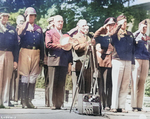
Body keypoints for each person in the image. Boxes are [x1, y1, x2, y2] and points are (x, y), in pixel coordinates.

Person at [17, 7, 44, 108]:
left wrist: (42, 57)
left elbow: (42, 44)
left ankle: (29, 100)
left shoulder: (38, 29)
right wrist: (26, 23)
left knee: (33, 77)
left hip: (36, 52)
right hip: (25, 51)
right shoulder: (22, 26)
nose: (31, 17)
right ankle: (23, 101)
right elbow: (20, 34)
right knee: (24, 76)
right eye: (29, 15)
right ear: (26, 16)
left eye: (33, 15)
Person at [45, 15, 72, 109]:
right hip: (53, 60)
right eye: (58, 21)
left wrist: (69, 62)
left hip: (63, 61)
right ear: (54, 22)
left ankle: (59, 103)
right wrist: (60, 45)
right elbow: (48, 45)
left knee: (61, 83)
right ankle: (52, 103)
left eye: (62, 21)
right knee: (53, 82)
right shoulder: (49, 32)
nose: (60, 23)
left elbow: (68, 49)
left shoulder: (65, 35)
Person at [110, 15, 135, 113]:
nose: (124, 24)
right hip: (118, 59)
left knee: (125, 84)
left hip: (128, 60)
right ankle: (114, 105)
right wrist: (118, 26)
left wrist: (132, 62)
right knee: (116, 83)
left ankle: (122, 105)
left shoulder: (129, 34)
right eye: (122, 22)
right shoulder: (116, 33)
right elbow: (111, 36)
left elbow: (133, 49)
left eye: (125, 22)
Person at [94, 17, 116, 111]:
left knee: (110, 84)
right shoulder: (102, 35)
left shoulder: (115, 35)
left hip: (113, 61)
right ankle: (103, 103)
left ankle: (109, 104)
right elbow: (95, 35)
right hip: (104, 61)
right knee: (102, 83)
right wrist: (104, 28)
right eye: (109, 25)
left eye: (113, 24)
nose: (111, 27)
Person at [0, 7, 19, 108]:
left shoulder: (12, 29)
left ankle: (5, 101)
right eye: (3, 16)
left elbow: (16, 46)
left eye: (6, 16)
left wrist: (15, 60)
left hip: (9, 54)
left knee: (7, 78)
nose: (5, 18)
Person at [131, 20, 150, 112]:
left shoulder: (147, 37)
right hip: (137, 58)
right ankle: (134, 105)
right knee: (135, 80)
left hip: (146, 59)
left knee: (142, 81)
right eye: (143, 27)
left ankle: (139, 105)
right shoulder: (135, 35)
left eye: (146, 27)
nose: (144, 29)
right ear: (139, 26)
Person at [71, 19, 92, 96]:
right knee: (79, 86)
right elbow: (76, 48)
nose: (85, 27)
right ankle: (77, 104)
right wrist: (86, 44)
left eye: (86, 25)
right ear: (78, 27)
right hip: (79, 63)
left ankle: (86, 103)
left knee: (88, 85)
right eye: (83, 26)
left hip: (88, 64)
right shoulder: (75, 37)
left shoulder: (89, 36)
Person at [44, 16, 55, 107]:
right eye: (51, 22)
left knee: (52, 80)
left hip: (54, 59)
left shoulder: (57, 33)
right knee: (48, 80)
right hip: (46, 59)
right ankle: (47, 101)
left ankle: (52, 100)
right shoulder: (46, 32)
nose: (52, 24)